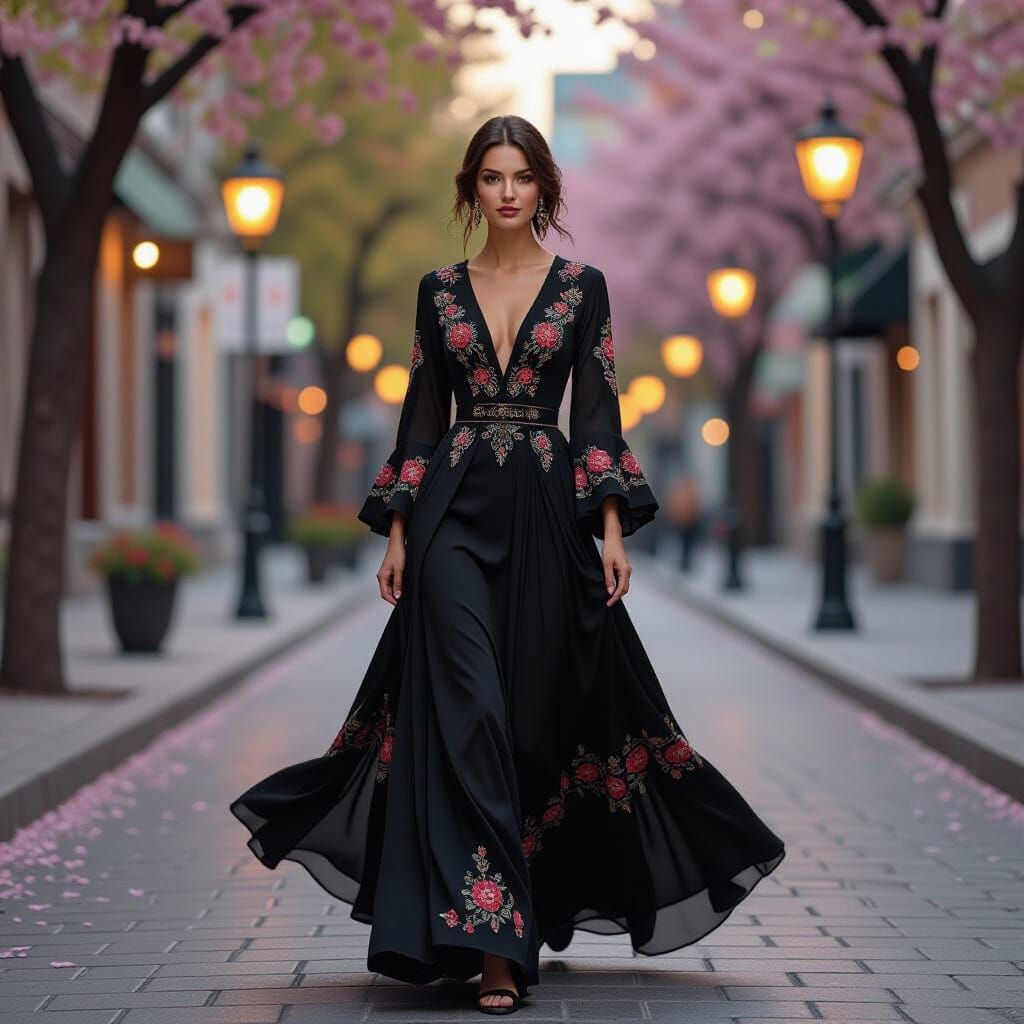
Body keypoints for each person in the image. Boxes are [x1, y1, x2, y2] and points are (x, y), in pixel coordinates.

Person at [230, 115, 785, 1016]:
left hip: (545, 518)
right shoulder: (438, 291)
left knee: (529, 718)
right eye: (491, 177)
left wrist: (609, 527)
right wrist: (399, 532)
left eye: (522, 176)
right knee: (469, 712)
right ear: (471, 189)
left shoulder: (583, 288)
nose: (508, 192)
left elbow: (597, 414)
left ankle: (490, 911)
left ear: (545, 187)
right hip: (453, 513)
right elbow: (419, 415)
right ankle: (493, 942)